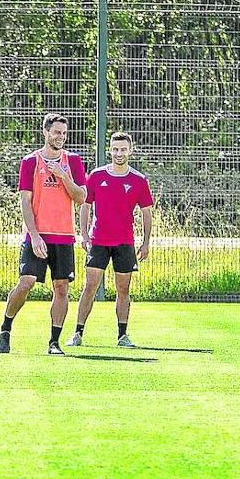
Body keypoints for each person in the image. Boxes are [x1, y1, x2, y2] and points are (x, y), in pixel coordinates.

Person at [0, 113, 87, 356]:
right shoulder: (30, 161)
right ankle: (6, 327)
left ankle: (54, 342)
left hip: (64, 236)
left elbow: (81, 197)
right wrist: (34, 236)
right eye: (57, 132)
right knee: (26, 282)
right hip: (37, 235)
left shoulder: (74, 161)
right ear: (45, 132)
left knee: (61, 288)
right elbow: (25, 202)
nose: (61, 137)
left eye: (64, 133)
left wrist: (62, 175)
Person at [68, 131, 153, 348]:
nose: (119, 153)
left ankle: (122, 336)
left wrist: (145, 242)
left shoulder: (139, 180)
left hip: (125, 242)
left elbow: (146, 213)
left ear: (130, 151)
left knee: (123, 290)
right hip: (98, 242)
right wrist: (85, 235)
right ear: (110, 150)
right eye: (115, 149)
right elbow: (85, 206)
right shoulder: (96, 176)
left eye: (123, 149)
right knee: (90, 286)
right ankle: (77, 333)